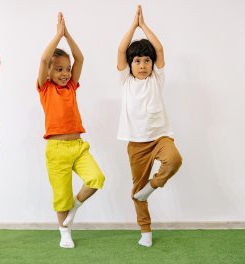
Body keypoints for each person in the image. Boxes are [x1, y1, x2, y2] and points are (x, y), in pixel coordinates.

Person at [37, 12, 105, 248]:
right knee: (61, 195)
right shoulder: (45, 89)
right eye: (59, 70)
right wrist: (57, 36)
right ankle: (64, 231)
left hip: (78, 146)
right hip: (56, 149)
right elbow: (45, 60)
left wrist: (67, 34)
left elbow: (80, 57)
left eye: (67, 69)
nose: (65, 73)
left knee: (97, 178)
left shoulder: (72, 87)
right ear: (48, 73)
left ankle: (75, 207)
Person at [117, 5, 182, 247]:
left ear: (152, 64)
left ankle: (153, 185)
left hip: (160, 137)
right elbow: (121, 50)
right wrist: (133, 26)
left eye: (146, 61)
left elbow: (160, 49)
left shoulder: (157, 78)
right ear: (130, 64)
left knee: (174, 160)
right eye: (137, 61)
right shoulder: (126, 80)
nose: (142, 65)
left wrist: (144, 26)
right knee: (137, 189)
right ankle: (145, 231)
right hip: (136, 143)